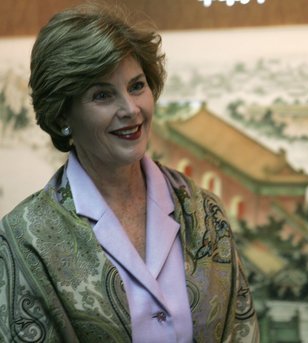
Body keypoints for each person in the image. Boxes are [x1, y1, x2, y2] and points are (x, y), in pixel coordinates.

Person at [0, 3, 259, 342]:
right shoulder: (24, 239)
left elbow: (241, 331)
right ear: (63, 115)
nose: (130, 109)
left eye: (137, 86)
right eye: (103, 95)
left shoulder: (205, 213)